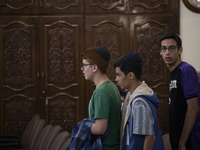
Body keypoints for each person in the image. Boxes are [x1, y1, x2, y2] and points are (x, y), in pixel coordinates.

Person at [113, 52, 164, 150]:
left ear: (131, 75)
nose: (116, 79)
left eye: (118, 75)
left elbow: (149, 137)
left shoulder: (139, 103)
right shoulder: (131, 95)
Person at [159, 33, 200, 150]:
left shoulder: (186, 70)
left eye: (171, 48)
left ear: (180, 50)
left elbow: (193, 108)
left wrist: (182, 142)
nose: (167, 52)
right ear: (160, 52)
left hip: (190, 141)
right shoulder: (174, 72)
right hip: (178, 136)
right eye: (164, 48)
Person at [80, 46, 121, 150]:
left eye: (84, 65)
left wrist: (83, 127)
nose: (82, 69)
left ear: (94, 67)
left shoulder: (101, 92)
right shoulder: (111, 86)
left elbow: (100, 128)